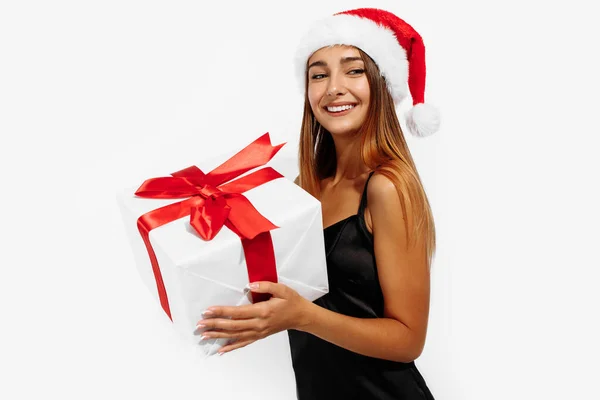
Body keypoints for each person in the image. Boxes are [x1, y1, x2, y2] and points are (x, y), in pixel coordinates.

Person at [196, 8, 440, 399]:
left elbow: (409, 339)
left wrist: (302, 317)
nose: (333, 88)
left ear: (381, 83)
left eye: (353, 70)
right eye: (319, 74)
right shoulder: (305, 188)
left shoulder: (387, 186)